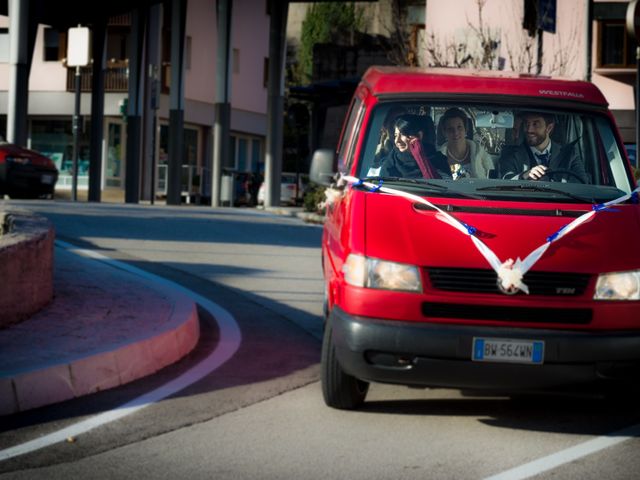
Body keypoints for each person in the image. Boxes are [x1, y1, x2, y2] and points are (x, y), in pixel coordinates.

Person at [499, 111, 588, 183]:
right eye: (527, 124)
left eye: (535, 124)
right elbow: (505, 180)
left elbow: (583, 183)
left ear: (549, 128)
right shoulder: (510, 153)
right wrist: (524, 175)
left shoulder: (570, 153)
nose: (529, 130)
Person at [379, 114, 450, 179]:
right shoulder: (392, 159)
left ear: (419, 135)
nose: (397, 141)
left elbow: (439, 188)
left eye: (402, 134)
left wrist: (420, 157)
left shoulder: (438, 160)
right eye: (396, 135)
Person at [437, 107, 494, 179]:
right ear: (444, 133)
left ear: (466, 130)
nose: (455, 132)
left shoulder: (480, 152)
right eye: (450, 129)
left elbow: (492, 179)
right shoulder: (438, 157)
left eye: (459, 127)